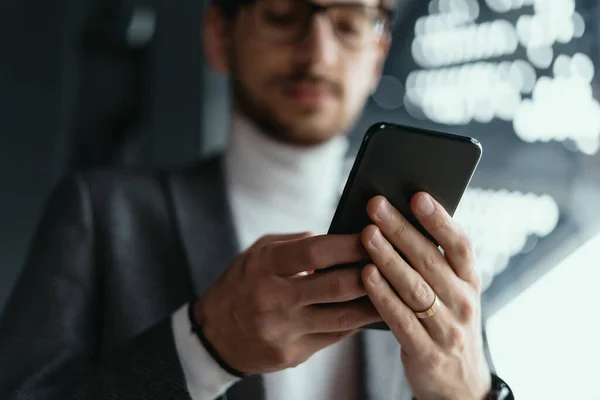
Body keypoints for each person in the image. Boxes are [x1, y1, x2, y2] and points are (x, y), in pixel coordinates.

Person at [0, 0, 514, 398]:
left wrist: (472, 394)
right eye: (283, 14)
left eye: (350, 21)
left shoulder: (434, 260)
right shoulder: (102, 213)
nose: (318, 54)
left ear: (378, 52)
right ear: (219, 35)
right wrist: (203, 348)